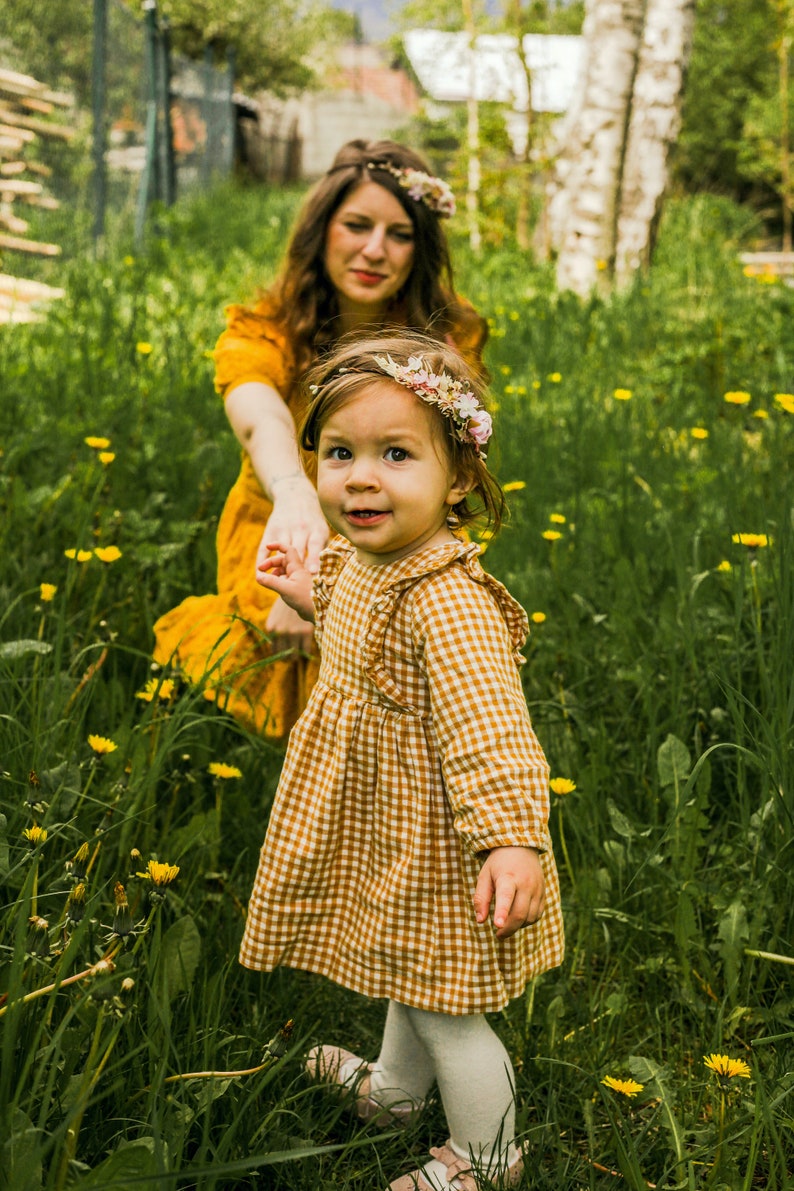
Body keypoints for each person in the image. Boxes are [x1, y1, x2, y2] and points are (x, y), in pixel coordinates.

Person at [240, 332, 564, 1191]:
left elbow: (492, 726)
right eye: (340, 452)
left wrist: (509, 839)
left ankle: (486, 1157)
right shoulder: (365, 559)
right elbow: (355, 620)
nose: (360, 477)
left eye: (395, 454)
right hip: (387, 822)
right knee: (403, 963)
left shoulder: (446, 597)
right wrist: (303, 593)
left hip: (444, 836)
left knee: (444, 1003)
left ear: (457, 477)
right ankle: (393, 1091)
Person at [152, 139, 487, 740]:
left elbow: (442, 469)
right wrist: (295, 496)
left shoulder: (447, 336)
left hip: (399, 536)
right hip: (279, 531)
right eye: (356, 225)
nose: (374, 250)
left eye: (399, 234)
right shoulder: (269, 328)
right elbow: (259, 415)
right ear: (321, 231)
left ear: (421, 247)